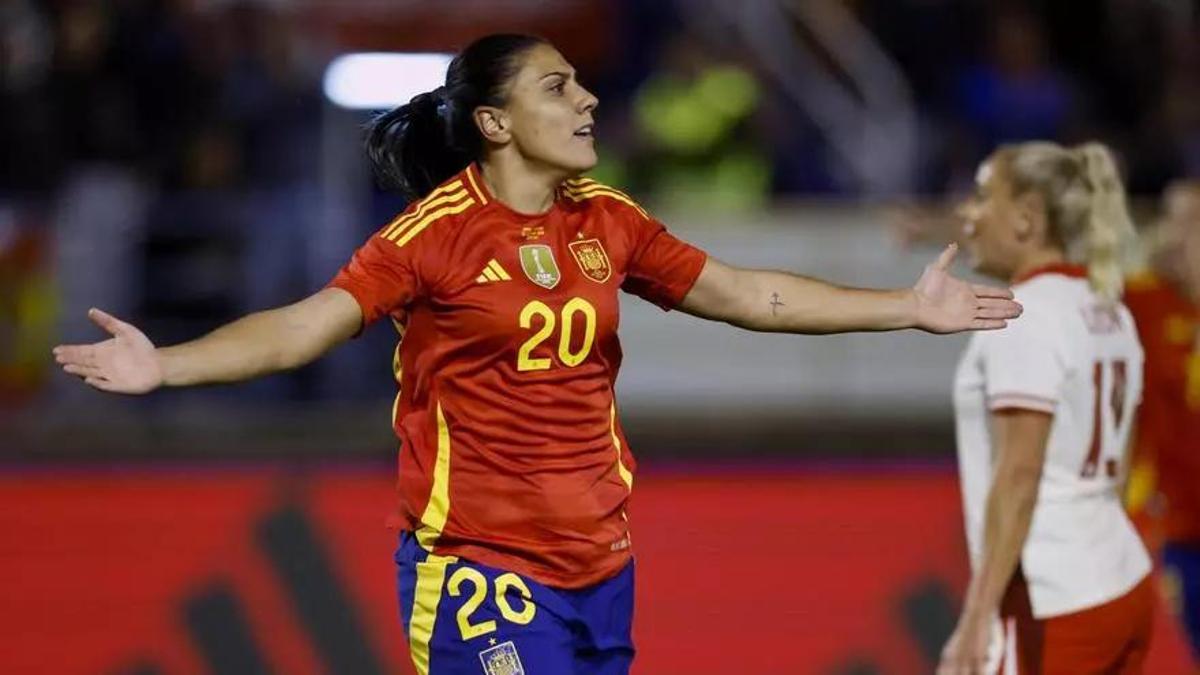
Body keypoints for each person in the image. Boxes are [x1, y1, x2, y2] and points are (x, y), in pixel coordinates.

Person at [53, 34, 1020, 675]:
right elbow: (307, 324)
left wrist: (907, 307)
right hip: (482, 571)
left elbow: (744, 295)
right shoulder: (431, 236)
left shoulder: (611, 221)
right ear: (495, 123)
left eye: (582, 82)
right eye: (559, 86)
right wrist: (166, 364)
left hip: (601, 566)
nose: (591, 97)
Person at [939, 141, 1152, 675]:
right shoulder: (1109, 308)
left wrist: (977, 616)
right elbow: (1119, 468)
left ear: (1027, 219)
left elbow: (1019, 473)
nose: (968, 213)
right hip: (1120, 576)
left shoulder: (1023, 314)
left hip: (1051, 595)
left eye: (984, 195)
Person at [1123, 179, 1200, 665]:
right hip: (1181, 519)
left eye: (1194, 221)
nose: (1183, 233)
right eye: (1175, 220)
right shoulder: (1147, 300)